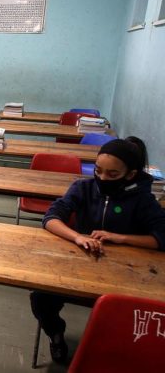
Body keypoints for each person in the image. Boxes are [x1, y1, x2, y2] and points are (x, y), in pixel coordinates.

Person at [31, 136, 165, 365]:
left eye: (112, 175)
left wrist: (120, 238)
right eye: (98, 171)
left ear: (130, 175)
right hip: (80, 265)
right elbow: (51, 218)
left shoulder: (143, 200)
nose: (102, 179)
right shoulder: (83, 188)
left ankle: (118, 349)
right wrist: (77, 237)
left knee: (123, 313)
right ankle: (56, 333)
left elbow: (162, 238)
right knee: (40, 298)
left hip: (126, 275)